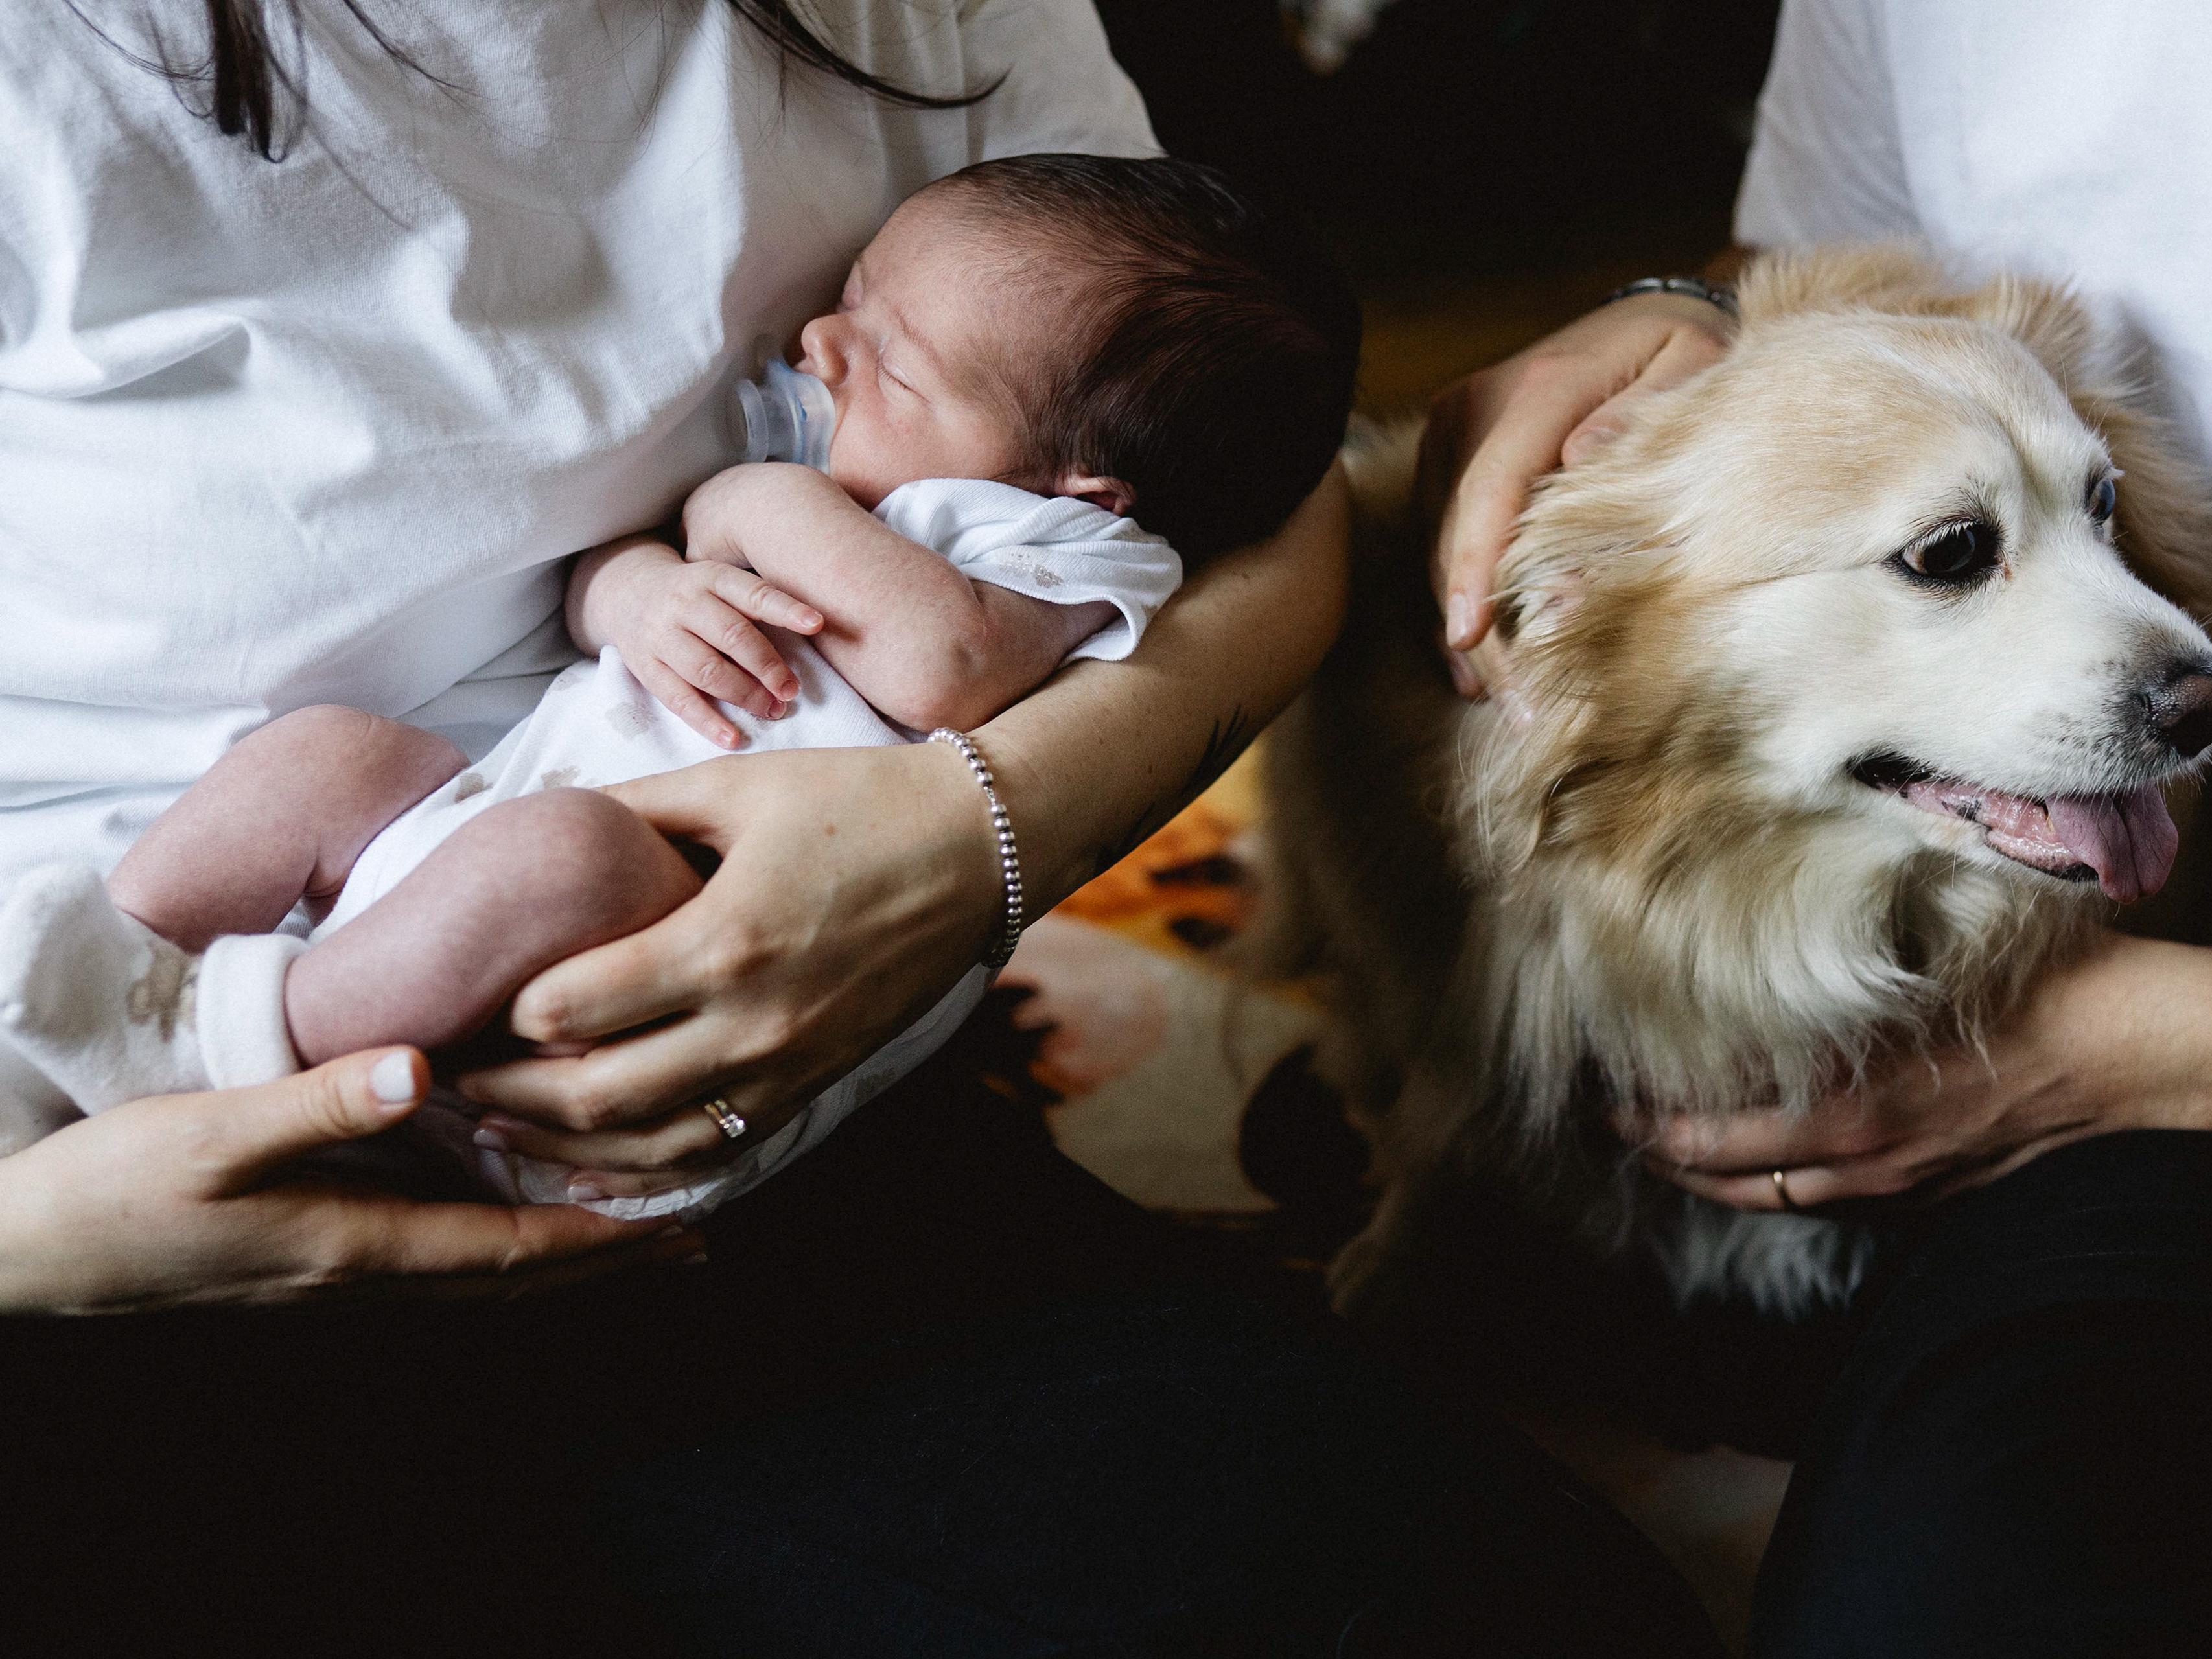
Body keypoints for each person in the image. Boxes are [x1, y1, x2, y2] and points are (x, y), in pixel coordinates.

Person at [0, 6, 1729, 1654]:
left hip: (676, 1072)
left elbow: (1262, 522)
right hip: (92, 1217)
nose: (811, 345)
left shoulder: (1040, 518)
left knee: (1489, 1613)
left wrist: (974, 835)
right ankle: (145, 1021)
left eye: (882, 350)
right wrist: (45, 1235)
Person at [1425, 1, 2212, 1651]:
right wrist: (1675, 316)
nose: (2184, 668)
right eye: (1951, 558)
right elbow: (1809, 264)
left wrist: (2140, 1045)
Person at [2, 151, 1357, 1222]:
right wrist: (637, 589)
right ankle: (116, 972)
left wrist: (749, 496)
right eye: (853, 301)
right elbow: (607, 600)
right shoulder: (874, 476)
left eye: (889, 359)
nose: (823, 344)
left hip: (642, 986)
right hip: (464, 853)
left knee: (562, 847)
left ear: (1081, 485)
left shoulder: (1063, 550)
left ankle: (228, 1060)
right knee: (329, 755)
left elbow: (943, 670)